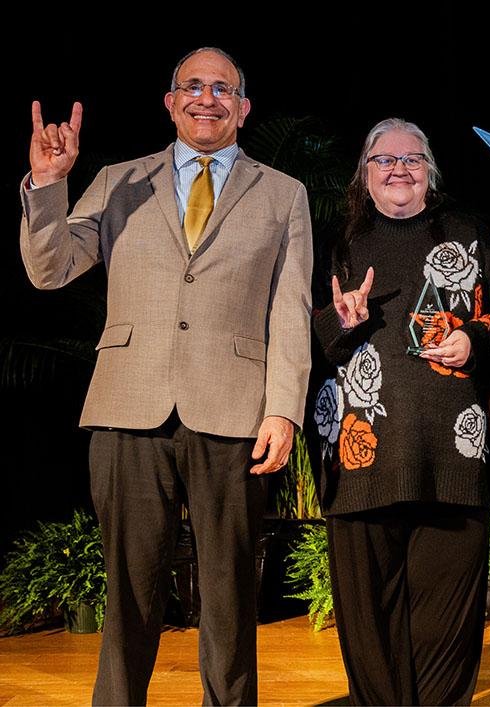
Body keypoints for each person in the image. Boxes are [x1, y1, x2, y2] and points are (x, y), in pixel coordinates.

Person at [18, 47, 312, 705]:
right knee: (129, 590)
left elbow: (290, 308)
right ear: (170, 102)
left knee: (230, 595)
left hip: (234, 411)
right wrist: (47, 184)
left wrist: (283, 409)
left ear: (243, 108)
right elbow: (50, 269)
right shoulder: (119, 180)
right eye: (193, 86)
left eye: (222, 88)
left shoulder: (283, 193)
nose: (207, 98)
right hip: (128, 403)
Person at [311, 117, 490, 706]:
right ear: (364, 175)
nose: (399, 168)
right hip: (360, 465)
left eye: (412, 159)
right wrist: (338, 321)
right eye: (384, 159)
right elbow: (294, 339)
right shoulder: (335, 244)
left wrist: (475, 339)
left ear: (430, 172)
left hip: (455, 461)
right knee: (370, 629)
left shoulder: (470, 236)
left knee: (446, 631)